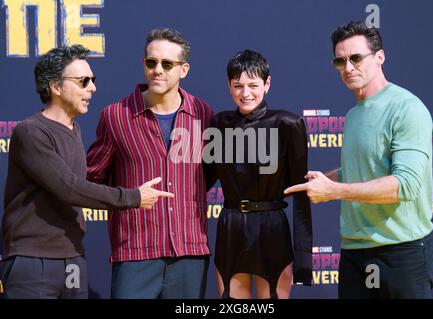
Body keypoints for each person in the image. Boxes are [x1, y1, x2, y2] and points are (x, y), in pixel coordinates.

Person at [0, 45, 173, 299]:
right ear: (56, 87)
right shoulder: (31, 131)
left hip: (72, 258)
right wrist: (133, 197)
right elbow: (69, 187)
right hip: (33, 260)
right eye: (83, 81)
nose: (92, 88)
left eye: (92, 80)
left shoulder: (74, 130)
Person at [285, 21, 433, 299]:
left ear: (380, 57)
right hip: (355, 253)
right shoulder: (354, 114)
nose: (348, 67)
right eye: (340, 61)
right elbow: (367, 167)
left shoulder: (407, 108)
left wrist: (334, 192)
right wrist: (327, 179)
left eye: (356, 58)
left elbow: (404, 186)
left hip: (401, 252)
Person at [86, 28, 214, 299]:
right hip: (135, 254)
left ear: (184, 70)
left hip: (189, 253)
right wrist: (129, 198)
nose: (158, 70)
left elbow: (208, 175)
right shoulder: (116, 117)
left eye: (167, 64)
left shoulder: (203, 115)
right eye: (151, 62)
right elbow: (91, 181)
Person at [205, 50, 312, 299]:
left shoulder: (288, 124)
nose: (245, 93)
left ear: (267, 84)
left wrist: (304, 257)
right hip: (231, 227)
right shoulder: (219, 124)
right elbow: (201, 180)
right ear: (229, 86)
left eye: (253, 85)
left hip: (272, 228)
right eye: (238, 85)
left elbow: (301, 193)